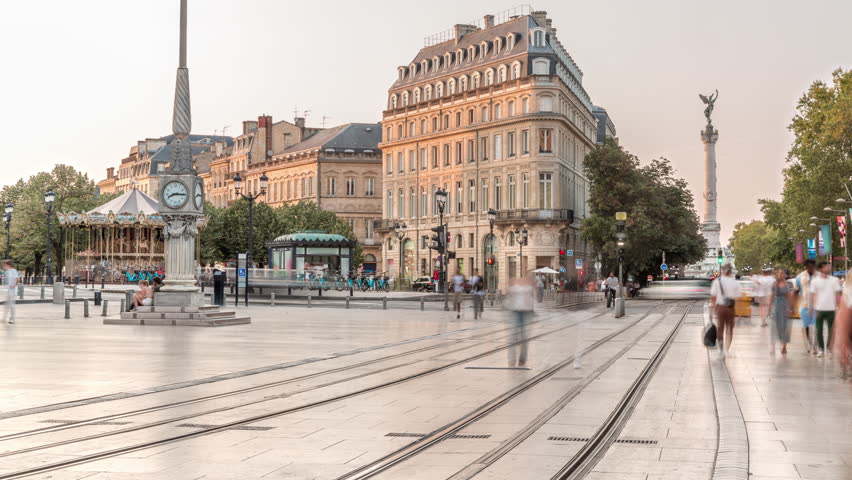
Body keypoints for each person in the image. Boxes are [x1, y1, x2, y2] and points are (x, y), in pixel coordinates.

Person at [809, 261, 841, 357]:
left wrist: (839, 307)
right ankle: (821, 349)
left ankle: (829, 349)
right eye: (827, 267)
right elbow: (813, 295)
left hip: (831, 309)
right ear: (821, 268)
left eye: (829, 266)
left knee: (832, 331)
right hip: (819, 309)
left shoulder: (834, 280)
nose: (829, 268)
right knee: (819, 331)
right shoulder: (815, 281)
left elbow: (837, 295)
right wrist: (812, 308)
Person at [710, 263, 741, 359]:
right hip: (731, 308)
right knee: (729, 330)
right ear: (731, 272)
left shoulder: (716, 282)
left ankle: (721, 351)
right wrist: (739, 312)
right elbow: (738, 298)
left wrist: (712, 311)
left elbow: (713, 297)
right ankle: (727, 351)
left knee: (720, 329)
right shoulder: (735, 282)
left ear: (722, 271)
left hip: (720, 308)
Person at [505, 276, 535, 367]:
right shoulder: (515, 288)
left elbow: (532, 291)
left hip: (525, 313)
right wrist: (512, 282)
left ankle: (522, 359)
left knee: (524, 337)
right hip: (516, 312)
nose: (522, 281)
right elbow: (509, 290)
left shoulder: (528, 288)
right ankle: (512, 359)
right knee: (513, 336)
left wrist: (530, 283)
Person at [793, 259, 817, 353]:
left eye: (812, 266)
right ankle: (808, 344)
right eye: (809, 267)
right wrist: (792, 305)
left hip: (816, 306)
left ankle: (815, 346)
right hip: (804, 305)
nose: (811, 268)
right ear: (806, 267)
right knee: (805, 326)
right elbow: (795, 291)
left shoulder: (819, 276)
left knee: (816, 327)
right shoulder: (800, 277)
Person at [768, 267, 792, 354]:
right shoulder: (774, 284)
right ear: (777, 274)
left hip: (784, 306)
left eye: (782, 273)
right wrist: (769, 308)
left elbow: (788, 296)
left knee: (784, 327)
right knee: (774, 326)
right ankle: (773, 347)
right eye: (779, 273)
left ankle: (784, 346)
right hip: (776, 306)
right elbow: (771, 296)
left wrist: (790, 308)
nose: (781, 275)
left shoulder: (787, 284)